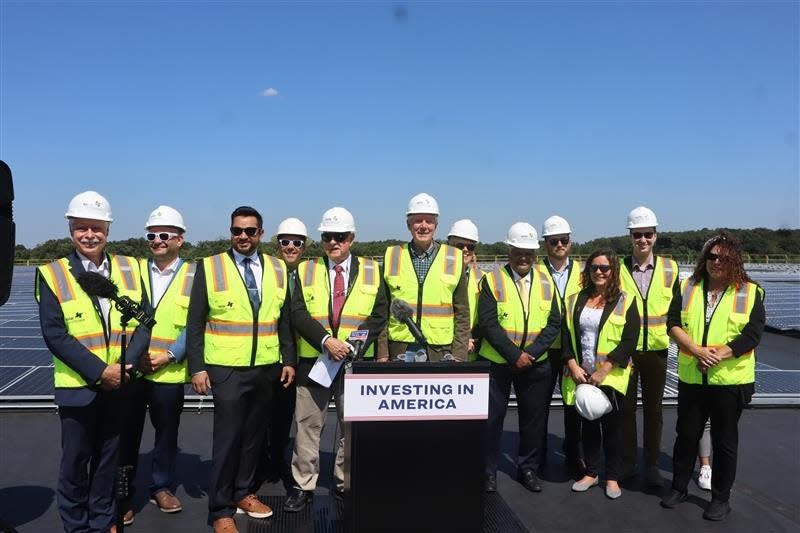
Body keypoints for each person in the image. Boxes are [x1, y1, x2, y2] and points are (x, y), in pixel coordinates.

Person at [35, 191, 151, 533]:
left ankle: (102, 524)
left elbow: (145, 323)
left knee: (107, 463)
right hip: (78, 388)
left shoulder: (131, 267)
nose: (90, 235)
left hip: (120, 385)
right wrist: (101, 372)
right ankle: (76, 527)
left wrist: (124, 367)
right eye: (82, 227)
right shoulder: (52, 273)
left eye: (96, 228)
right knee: (75, 464)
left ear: (108, 230)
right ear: (71, 229)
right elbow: (55, 334)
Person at [186, 206, 296, 533]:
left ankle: (244, 492)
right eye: (237, 231)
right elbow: (194, 322)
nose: (243, 237)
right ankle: (220, 509)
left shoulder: (277, 268)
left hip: (266, 367)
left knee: (253, 438)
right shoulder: (211, 266)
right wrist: (197, 367)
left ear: (261, 233)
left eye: (250, 231)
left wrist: (288, 359)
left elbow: (284, 319)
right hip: (226, 369)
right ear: (231, 232)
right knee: (228, 440)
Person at [284, 207, 388, 512]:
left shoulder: (372, 270)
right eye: (328, 237)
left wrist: (351, 346)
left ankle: (345, 482)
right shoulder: (306, 270)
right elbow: (298, 313)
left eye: (340, 237)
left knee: (351, 428)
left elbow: (379, 314)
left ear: (352, 238)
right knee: (307, 426)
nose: (334, 242)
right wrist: (327, 341)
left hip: (354, 363)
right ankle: (303, 485)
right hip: (314, 362)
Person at [661, 233, 764, 521]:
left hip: (730, 381)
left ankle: (720, 498)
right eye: (711, 256)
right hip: (693, 378)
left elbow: (752, 334)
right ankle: (679, 487)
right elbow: (672, 323)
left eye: (723, 257)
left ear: (734, 260)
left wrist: (718, 355)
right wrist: (696, 350)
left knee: (724, 441)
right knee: (687, 436)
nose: (716, 261)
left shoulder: (750, 291)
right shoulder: (688, 286)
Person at [120, 206, 192, 524]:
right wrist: (135, 358)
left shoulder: (194, 275)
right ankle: (122, 496)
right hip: (134, 371)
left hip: (170, 370)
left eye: (164, 235)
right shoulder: (132, 272)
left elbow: (197, 322)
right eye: (152, 235)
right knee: (126, 433)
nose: (157, 240)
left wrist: (169, 355)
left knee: (166, 434)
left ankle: (161, 486)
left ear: (179, 239)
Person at [478, 222, 561, 493]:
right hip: (498, 363)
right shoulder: (492, 280)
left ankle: (528, 469)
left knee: (533, 421)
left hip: (536, 364)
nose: (523, 257)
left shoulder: (547, 281)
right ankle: (487, 473)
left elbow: (554, 324)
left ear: (535, 253)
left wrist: (532, 354)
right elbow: (489, 324)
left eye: (528, 252)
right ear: (509, 250)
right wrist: (515, 356)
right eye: (518, 251)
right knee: (491, 420)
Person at [562, 248, 640, 500]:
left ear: (613, 271)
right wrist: (572, 364)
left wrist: (605, 368)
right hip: (583, 375)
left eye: (604, 268)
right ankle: (592, 472)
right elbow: (566, 335)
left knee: (613, 429)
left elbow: (630, 339)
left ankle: (612, 477)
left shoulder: (626, 301)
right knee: (589, 426)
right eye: (594, 267)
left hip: (611, 376)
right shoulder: (575, 300)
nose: (599, 272)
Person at [619, 206, 679, 487]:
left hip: (657, 351)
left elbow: (678, 311)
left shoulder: (670, 268)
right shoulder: (617, 269)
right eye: (637, 235)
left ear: (656, 236)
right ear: (630, 236)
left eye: (648, 234)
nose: (643, 240)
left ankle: (652, 464)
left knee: (654, 412)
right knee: (625, 411)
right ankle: (628, 464)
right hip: (626, 353)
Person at [379, 193, 470, 362]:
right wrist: (383, 353)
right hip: (399, 348)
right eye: (417, 220)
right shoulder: (392, 255)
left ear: (436, 224)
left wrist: (459, 355)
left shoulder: (454, 257)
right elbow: (382, 310)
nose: (423, 226)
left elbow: (462, 313)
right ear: (408, 224)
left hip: (440, 351)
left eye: (428, 221)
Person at [254, 217, 308, 490]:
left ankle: (279, 462)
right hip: (269, 355)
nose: (290, 247)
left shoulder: (312, 274)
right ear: (277, 243)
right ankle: (264, 465)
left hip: (303, 357)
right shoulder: (267, 271)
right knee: (264, 414)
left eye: (296, 242)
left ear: (304, 245)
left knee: (290, 416)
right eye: (285, 241)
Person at [538, 215, 584, 476]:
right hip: (544, 348)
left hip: (573, 351)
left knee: (572, 405)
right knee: (539, 406)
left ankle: (573, 454)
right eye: (553, 240)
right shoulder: (536, 272)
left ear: (570, 242)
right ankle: (539, 454)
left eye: (563, 240)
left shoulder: (582, 273)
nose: (559, 244)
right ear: (545, 244)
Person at [446, 218, 482, 359]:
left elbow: (487, 318)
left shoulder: (483, 279)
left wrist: (473, 340)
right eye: (460, 246)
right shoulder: (435, 275)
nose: (465, 250)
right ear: (449, 245)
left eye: (470, 247)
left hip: (473, 351)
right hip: (444, 350)